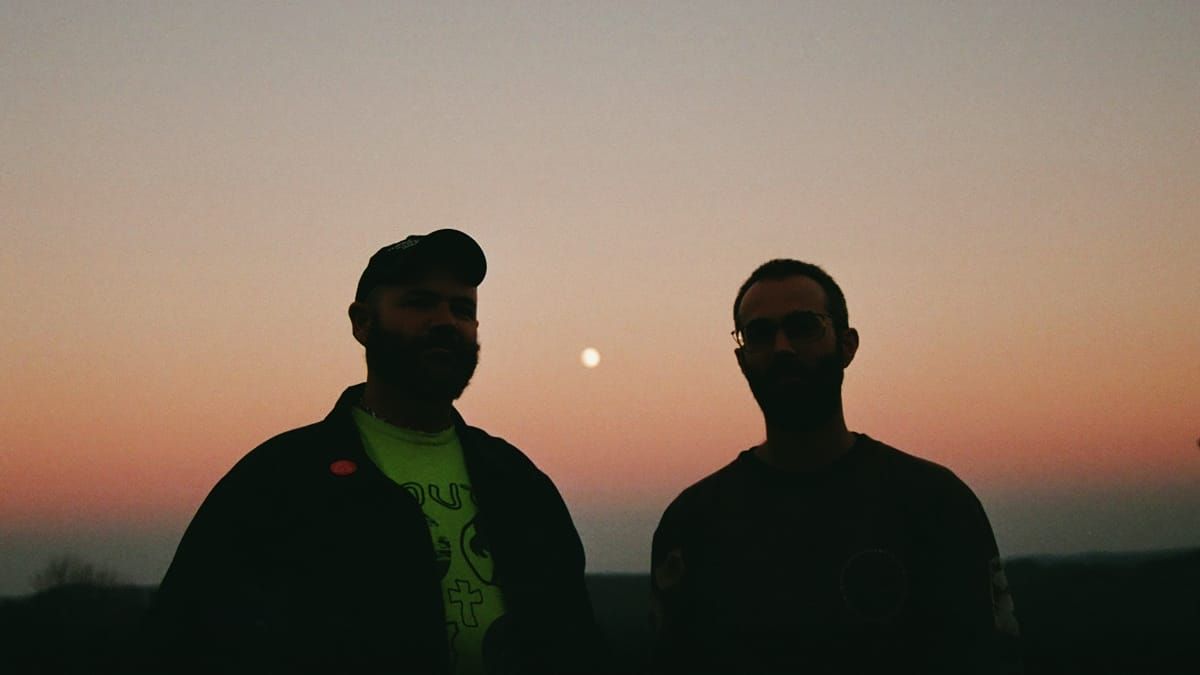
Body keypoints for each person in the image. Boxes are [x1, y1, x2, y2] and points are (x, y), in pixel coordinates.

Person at [143, 230, 605, 675]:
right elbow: (183, 644)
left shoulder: (519, 484)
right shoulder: (279, 481)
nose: (445, 320)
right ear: (362, 322)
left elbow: (575, 644)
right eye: (419, 302)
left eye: (461, 309)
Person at [649, 259, 1022, 674]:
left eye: (803, 326)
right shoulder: (693, 523)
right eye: (760, 333)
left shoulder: (935, 503)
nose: (782, 347)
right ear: (742, 359)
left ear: (847, 346)